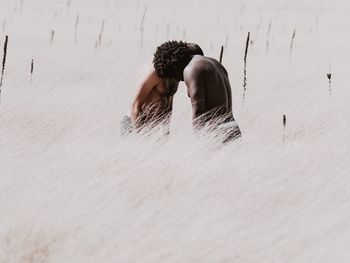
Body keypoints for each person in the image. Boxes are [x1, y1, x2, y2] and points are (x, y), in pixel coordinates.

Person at [153, 41, 241, 142]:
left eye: (173, 75)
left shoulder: (191, 69)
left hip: (217, 134)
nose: (177, 80)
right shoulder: (215, 63)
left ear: (173, 65)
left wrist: (198, 142)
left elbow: (199, 111)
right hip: (233, 129)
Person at [120, 43, 204, 135]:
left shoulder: (176, 75)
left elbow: (169, 106)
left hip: (152, 127)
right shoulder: (155, 72)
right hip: (134, 124)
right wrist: (139, 133)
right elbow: (135, 105)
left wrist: (166, 132)